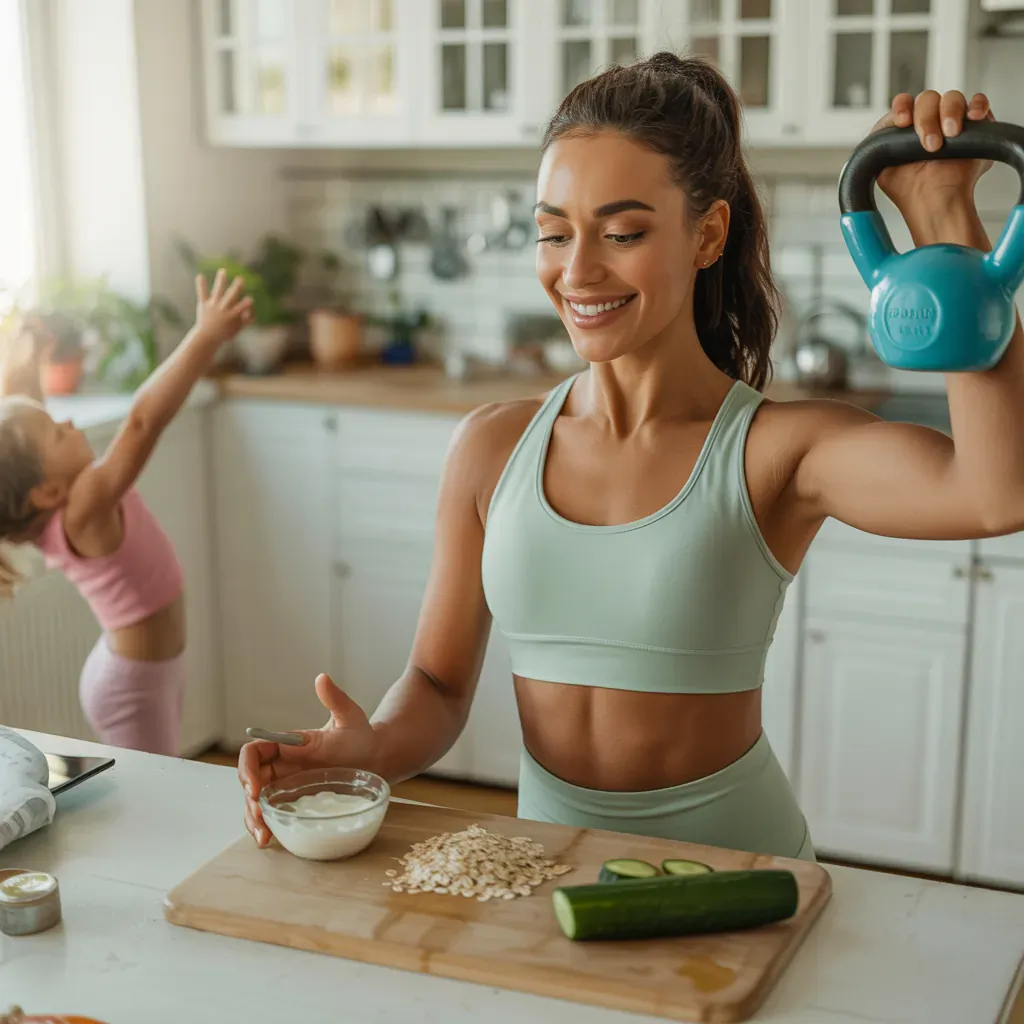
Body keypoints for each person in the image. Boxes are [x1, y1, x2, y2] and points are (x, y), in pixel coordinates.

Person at [239, 54, 1024, 861]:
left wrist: (944, 221)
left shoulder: (776, 452)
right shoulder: (490, 447)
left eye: (622, 233)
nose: (577, 271)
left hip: (736, 879)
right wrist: (369, 750)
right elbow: (437, 689)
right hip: (546, 873)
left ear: (707, 234)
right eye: (553, 232)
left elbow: (998, 493)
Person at [0, 271, 252, 755]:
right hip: (132, 687)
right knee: (155, 801)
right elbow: (140, 423)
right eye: (57, 431)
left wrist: (30, 348)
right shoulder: (83, 508)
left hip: (144, 672)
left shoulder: (58, 501)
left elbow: (25, 410)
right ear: (46, 491)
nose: (69, 422)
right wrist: (205, 337)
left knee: (161, 788)